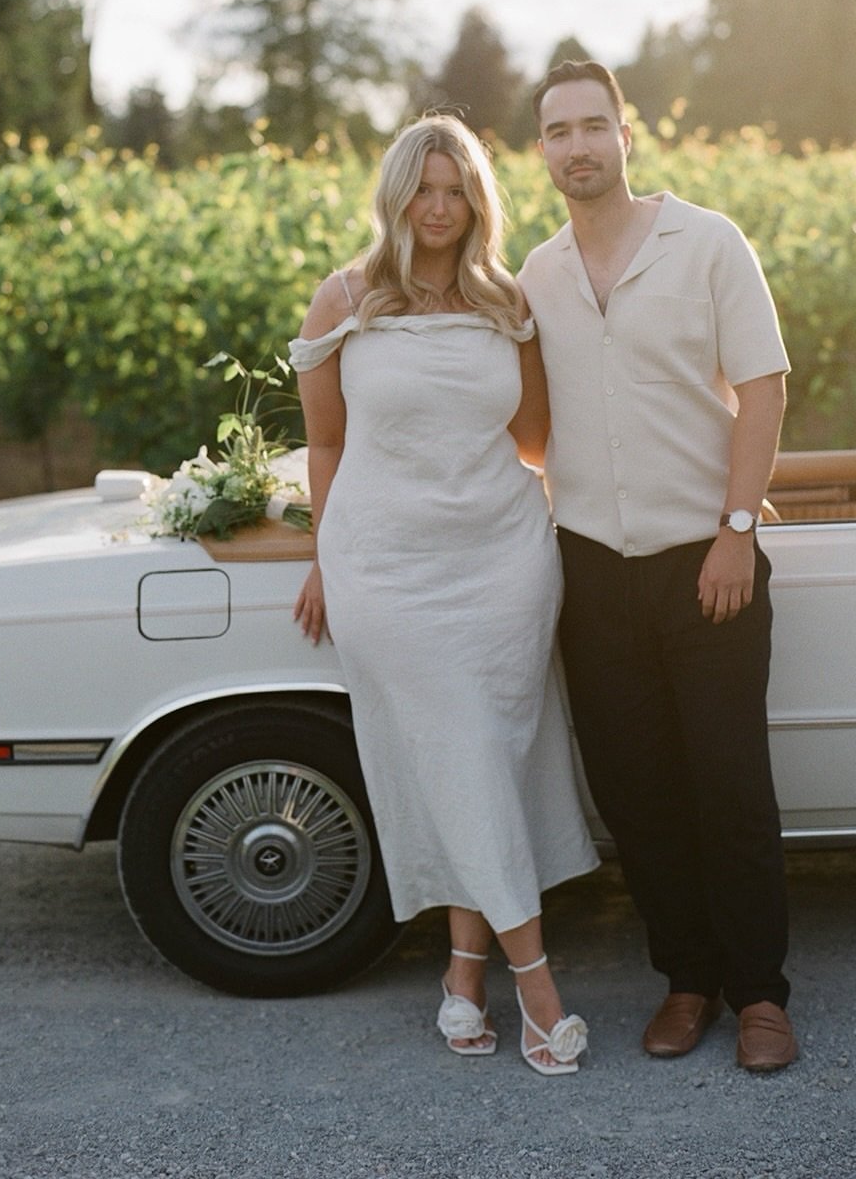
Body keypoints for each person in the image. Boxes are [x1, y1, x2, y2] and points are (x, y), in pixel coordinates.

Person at [289, 111, 599, 1076]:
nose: (438, 207)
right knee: (464, 752)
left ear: (478, 201)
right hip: (386, 568)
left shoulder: (508, 302)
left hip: (504, 563)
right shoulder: (344, 299)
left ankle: (465, 975)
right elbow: (327, 443)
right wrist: (323, 557)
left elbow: (536, 440)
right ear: (395, 195)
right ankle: (538, 989)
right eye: (423, 189)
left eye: (456, 190)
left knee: (483, 763)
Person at [517, 60, 798, 1073]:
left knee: (730, 786)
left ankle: (760, 995)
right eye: (558, 131)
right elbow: (529, 431)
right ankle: (687, 980)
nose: (578, 146)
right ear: (542, 151)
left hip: (706, 560)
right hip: (592, 570)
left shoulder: (708, 243)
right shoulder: (537, 275)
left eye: (594, 125)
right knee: (637, 796)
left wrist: (736, 529)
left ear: (625, 136)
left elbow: (764, 390)